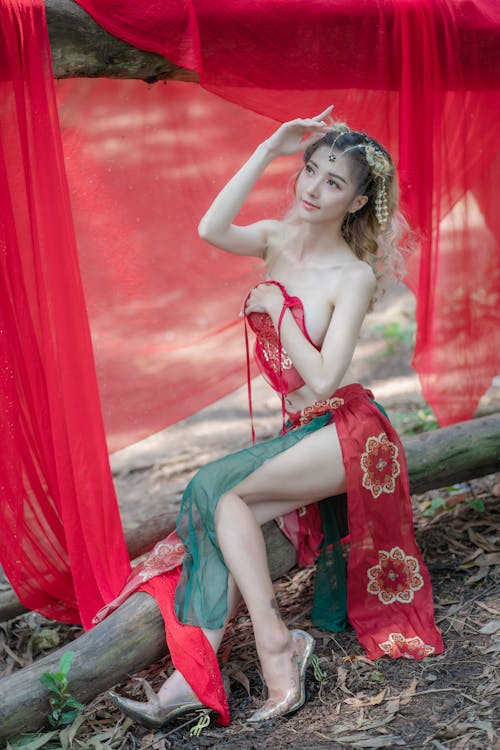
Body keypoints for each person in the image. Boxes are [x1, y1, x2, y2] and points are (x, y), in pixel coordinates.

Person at [109, 107, 443, 729]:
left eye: (333, 182)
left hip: (350, 433)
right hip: (302, 435)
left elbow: (323, 379)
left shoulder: (353, 275)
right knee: (219, 508)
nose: (313, 189)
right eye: (310, 172)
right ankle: (195, 675)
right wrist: (268, 147)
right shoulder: (276, 238)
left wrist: (277, 309)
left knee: (216, 490)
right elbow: (210, 227)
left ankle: (274, 645)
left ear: (357, 202)